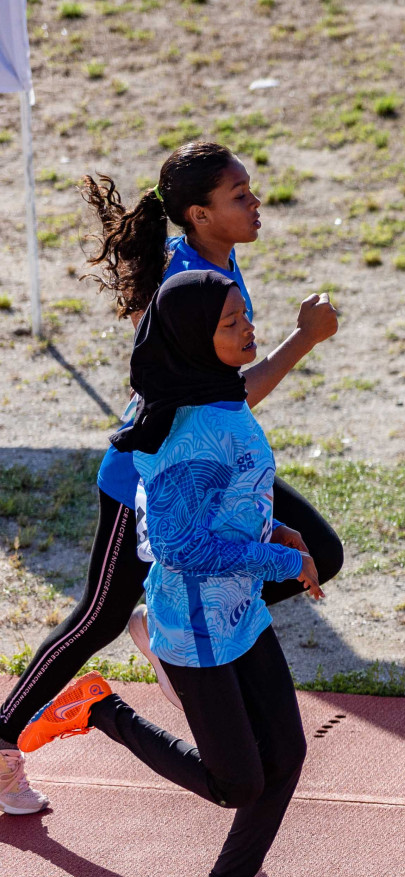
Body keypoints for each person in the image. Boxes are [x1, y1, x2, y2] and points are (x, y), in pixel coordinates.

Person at [0, 142, 340, 815]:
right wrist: (304, 339)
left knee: (317, 553)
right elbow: (226, 394)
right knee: (97, 616)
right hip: (151, 482)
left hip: (211, 475)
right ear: (199, 214)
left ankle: (166, 622)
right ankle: (5, 737)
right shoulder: (186, 278)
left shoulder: (218, 257)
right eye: (239, 195)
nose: (255, 202)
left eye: (250, 189)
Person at [19, 271, 321, 877]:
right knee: (236, 784)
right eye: (230, 324)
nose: (248, 330)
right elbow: (181, 548)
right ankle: (100, 709)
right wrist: (281, 560)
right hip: (195, 629)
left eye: (245, 314)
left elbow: (217, 511)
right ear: (191, 340)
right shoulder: (190, 436)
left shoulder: (219, 399)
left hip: (239, 613)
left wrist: (273, 529)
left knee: (288, 757)